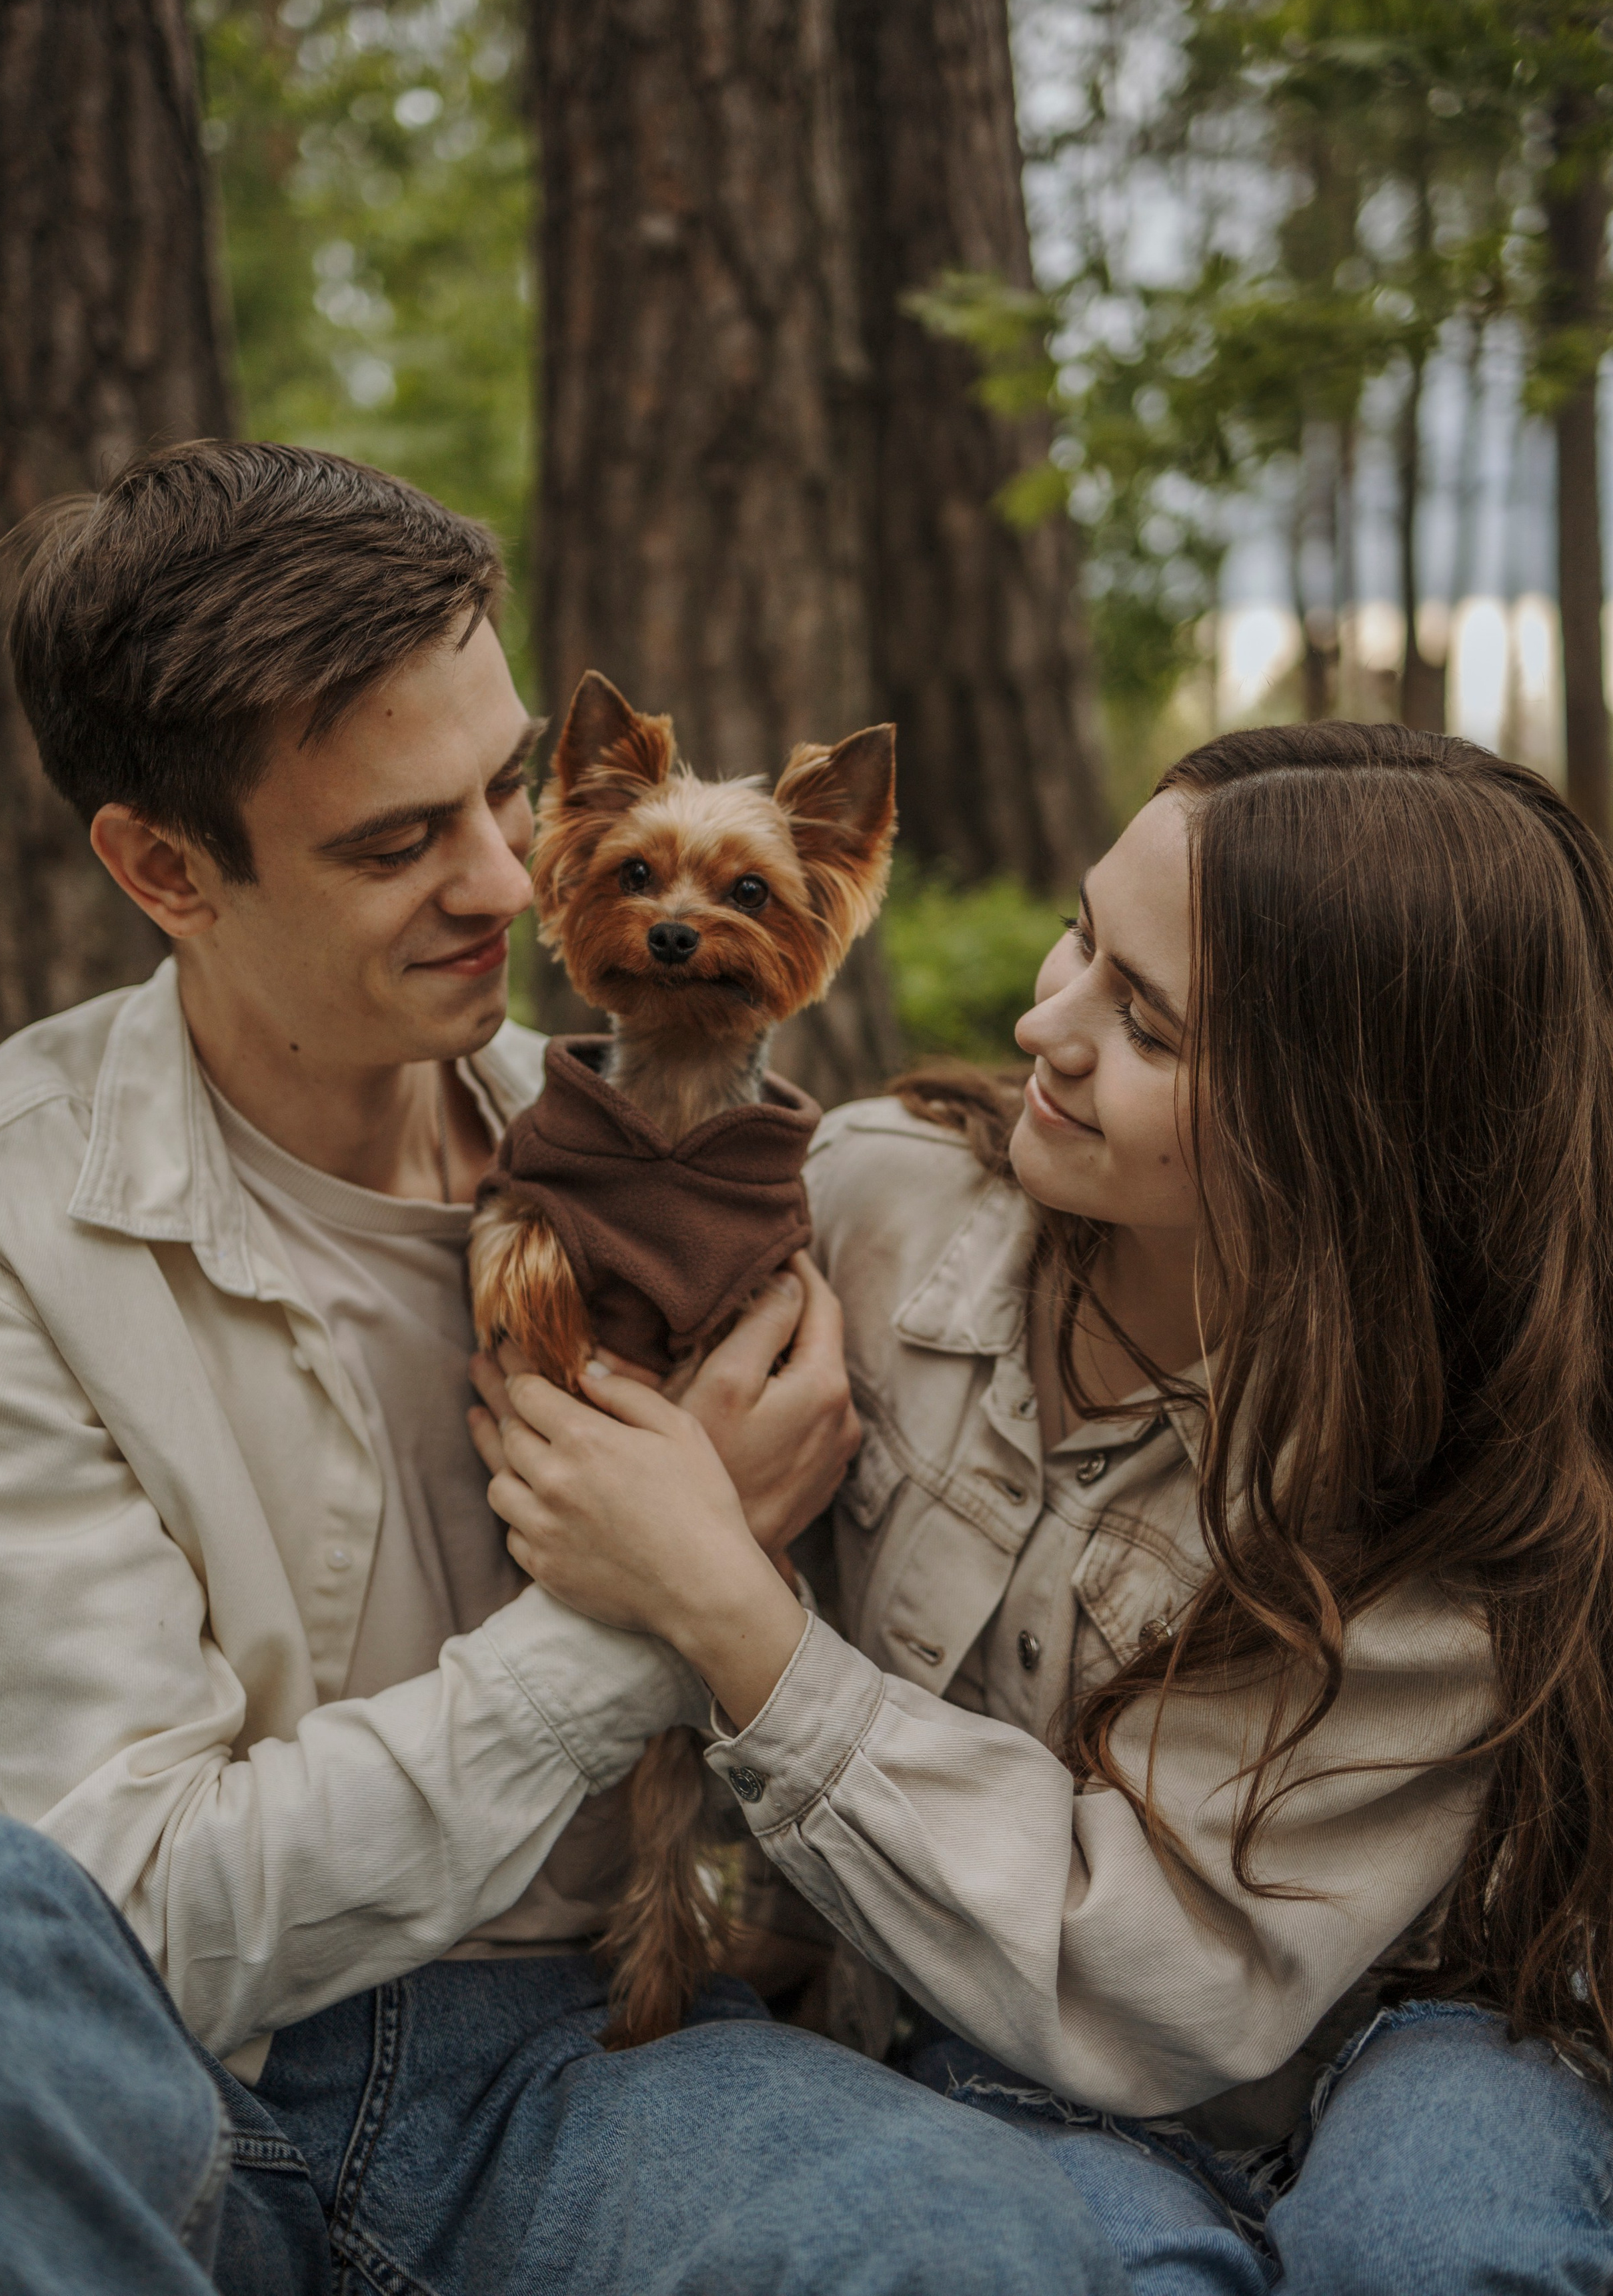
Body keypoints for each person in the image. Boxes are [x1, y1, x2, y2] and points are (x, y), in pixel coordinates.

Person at [0, 437, 1126, 2296]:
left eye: (503, 790)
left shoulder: (654, 1176)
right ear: (166, 867)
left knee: (965, 2237)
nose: (503, 881)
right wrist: (655, 1593)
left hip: (583, 2045)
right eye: (399, 842)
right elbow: (136, 1918)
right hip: (170, 2078)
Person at [478, 721, 1613, 2293]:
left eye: (1145, 1026)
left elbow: (1155, 1985)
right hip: (1001, 2060)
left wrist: (726, 1607)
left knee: (1434, 2250)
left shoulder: (1451, 1487)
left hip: (1397, 2016)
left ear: (1350, 1127)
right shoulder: (865, 1208)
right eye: (1081, 938)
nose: (1039, 1023)